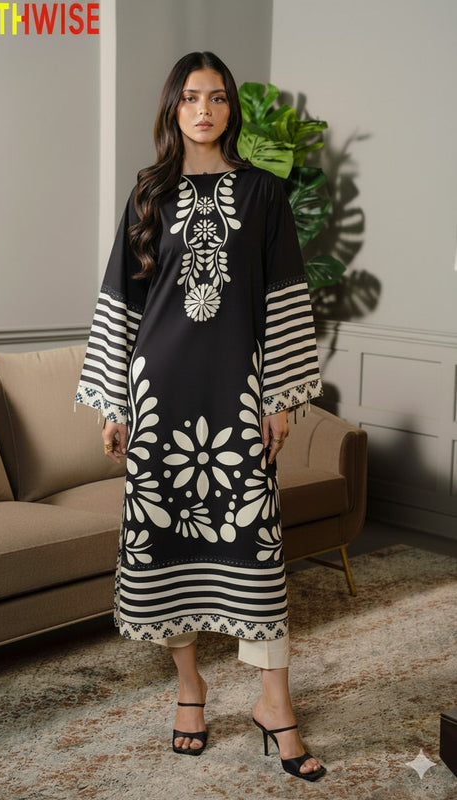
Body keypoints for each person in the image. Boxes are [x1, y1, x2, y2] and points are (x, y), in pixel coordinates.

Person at [76, 51, 326, 782]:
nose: (205, 109)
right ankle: (190, 690)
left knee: (256, 547)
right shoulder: (147, 193)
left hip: (234, 392)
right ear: (173, 109)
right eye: (191, 98)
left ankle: (273, 703)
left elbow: (282, 299)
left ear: (230, 111)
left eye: (216, 98)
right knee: (164, 545)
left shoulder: (263, 194)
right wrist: (113, 403)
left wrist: (278, 399)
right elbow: (120, 301)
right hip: (158, 393)